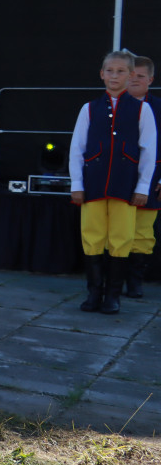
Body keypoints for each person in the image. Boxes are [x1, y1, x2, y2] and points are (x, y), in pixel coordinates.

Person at [69, 51, 157, 311]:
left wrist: (142, 187)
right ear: (102, 74)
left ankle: (113, 296)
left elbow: (149, 151)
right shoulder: (89, 109)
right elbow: (77, 148)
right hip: (93, 185)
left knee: (121, 238)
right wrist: (77, 185)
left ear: (131, 76)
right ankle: (94, 293)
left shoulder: (143, 109)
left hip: (125, 186)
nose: (114, 76)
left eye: (121, 71)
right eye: (110, 71)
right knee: (92, 236)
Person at [126, 55, 158, 298]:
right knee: (112, 231)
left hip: (152, 180)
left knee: (143, 233)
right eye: (131, 75)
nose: (135, 80)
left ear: (150, 79)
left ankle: (135, 282)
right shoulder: (111, 105)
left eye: (140, 76)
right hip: (115, 180)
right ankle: (111, 280)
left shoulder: (159, 108)